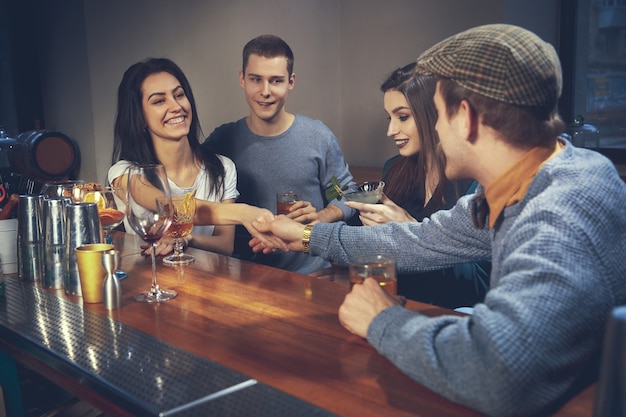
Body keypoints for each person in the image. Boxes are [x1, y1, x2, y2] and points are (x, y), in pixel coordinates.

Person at [250, 24, 626, 416]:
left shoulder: (557, 213)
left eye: (437, 115)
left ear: (465, 118)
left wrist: (382, 319)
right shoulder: (537, 176)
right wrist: (308, 236)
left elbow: (498, 375)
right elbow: (418, 240)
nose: (436, 131)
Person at [203, 34, 356, 274]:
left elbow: (346, 193)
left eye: (276, 80)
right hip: (243, 277)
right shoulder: (221, 140)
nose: (265, 91)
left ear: (291, 82)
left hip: (314, 276)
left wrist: (320, 217)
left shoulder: (318, 137)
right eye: (256, 79)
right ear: (242, 79)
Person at [346, 62, 490, 309]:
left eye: (402, 117)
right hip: (393, 306)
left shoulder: (477, 183)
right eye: (389, 118)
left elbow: (481, 285)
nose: (391, 130)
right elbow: (377, 247)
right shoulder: (394, 168)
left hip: (449, 317)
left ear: (435, 114)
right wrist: (323, 223)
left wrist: (410, 228)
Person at [108, 57, 274, 257]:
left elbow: (225, 246)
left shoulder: (223, 168)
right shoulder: (124, 172)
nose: (176, 106)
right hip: (148, 284)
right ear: (140, 117)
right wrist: (243, 213)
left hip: (207, 282)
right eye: (159, 101)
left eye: (179, 95)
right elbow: (170, 207)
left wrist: (186, 238)